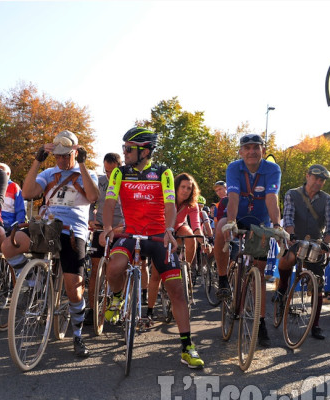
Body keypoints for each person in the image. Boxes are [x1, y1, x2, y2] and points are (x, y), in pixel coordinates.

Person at [100, 127, 204, 368]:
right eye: (123, 147)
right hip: (130, 232)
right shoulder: (120, 173)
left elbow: (169, 204)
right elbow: (109, 201)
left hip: (157, 235)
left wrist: (169, 229)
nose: (124, 152)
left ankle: (187, 346)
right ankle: (116, 298)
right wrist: (107, 227)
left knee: (176, 290)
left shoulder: (163, 172)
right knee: (114, 268)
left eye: (128, 149)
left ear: (144, 151)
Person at [1, 130, 99, 358]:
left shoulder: (87, 173)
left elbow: (93, 197)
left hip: (73, 231)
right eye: (58, 156)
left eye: (66, 155)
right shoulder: (48, 172)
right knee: (9, 245)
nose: (62, 160)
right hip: (45, 227)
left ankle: (77, 334)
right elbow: (27, 193)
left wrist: (82, 165)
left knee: (73, 288)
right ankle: (36, 282)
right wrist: (37, 160)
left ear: (75, 152)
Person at [214, 133, 282, 347]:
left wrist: (277, 225)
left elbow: (272, 199)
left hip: (259, 222)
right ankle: (223, 278)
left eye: (256, 147)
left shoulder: (273, 169)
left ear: (263, 149)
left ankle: (260, 323)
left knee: (259, 275)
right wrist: (231, 222)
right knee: (220, 228)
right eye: (247, 148)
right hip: (238, 215)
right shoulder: (234, 167)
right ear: (241, 151)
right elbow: (232, 197)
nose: (252, 151)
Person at [273, 164, 330, 340]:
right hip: (296, 238)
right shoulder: (292, 194)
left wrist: (326, 243)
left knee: (318, 283)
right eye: (316, 178)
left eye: (322, 180)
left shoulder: (327, 199)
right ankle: (283, 287)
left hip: (316, 241)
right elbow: (289, 217)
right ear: (307, 176)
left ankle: (315, 325)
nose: (318, 182)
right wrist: (291, 235)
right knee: (289, 257)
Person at [144, 172, 206, 323]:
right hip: (163, 230)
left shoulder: (192, 205)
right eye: (183, 187)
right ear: (176, 187)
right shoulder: (164, 198)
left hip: (179, 228)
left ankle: (187, 269)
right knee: (156, 275)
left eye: (189, 188)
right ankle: (150, 310)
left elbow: (196, 225)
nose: (185, 191)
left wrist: (203, 239)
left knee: (191, 236)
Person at [86, 152, 123, 325]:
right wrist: (90, 219)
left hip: (120, 230)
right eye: (106, 171)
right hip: (100, 228)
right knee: (95, 269)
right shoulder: (100, 182)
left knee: (117, 269)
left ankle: (117, 306)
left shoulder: (126, 183)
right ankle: (91, 309)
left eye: (112, 171)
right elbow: (90, 201)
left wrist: (122, 226)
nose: (109, 175)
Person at [0, 163, 26, 232]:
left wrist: (18, 226)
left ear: (8, 174)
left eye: (1, 172)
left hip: (9, 226)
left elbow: (20, 209)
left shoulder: (14, 187)